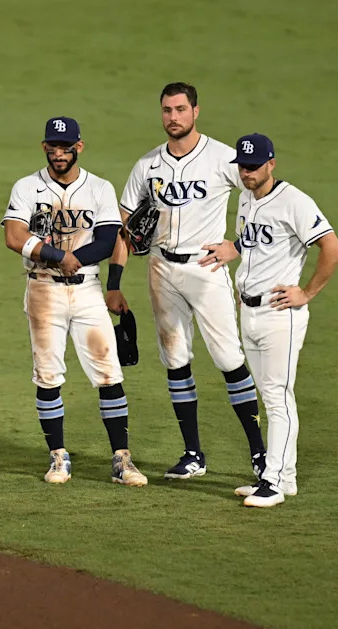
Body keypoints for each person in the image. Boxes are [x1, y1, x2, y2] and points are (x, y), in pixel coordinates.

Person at [106, 82, 267, 480]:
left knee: (229, 359)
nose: (173, 117)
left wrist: (238, 244)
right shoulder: (148, 165)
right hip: (162, 270)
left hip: (206, 270)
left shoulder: (222, 158)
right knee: (175, 360)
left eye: (180, 109)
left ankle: (261, 455)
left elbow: (264, 195)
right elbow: (124, 226)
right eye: (166, 110)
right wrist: (114, 282)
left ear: (196, 111)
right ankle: (193, 454)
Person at [1, 116, 148, 487]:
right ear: (44, 147)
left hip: (87, 291)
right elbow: (14, 236)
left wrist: (74, 260)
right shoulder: (26, 187)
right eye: (53, 146)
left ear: (78, 147)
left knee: (108, 371)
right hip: (43, 289)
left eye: (66, 147)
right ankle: (58, 457)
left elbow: (109, 238)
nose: (59, 153)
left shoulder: (98, 188)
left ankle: (122, 459)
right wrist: (55, 256)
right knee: (48, 375)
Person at [200, 133, 338, 507]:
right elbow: (249, 239)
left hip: (281, 314)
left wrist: (307, 292)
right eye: (242, 167)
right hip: (249, 310)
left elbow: (332, 247)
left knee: (278, 397)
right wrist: (233, 251)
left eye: (253, 167)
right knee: (271, 396)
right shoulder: (247, 198)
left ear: (271, 163)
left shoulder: (294, 201)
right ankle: (287, 477)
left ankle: (273, 483)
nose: (246, 174)